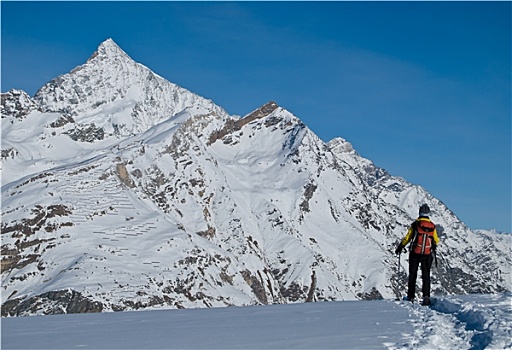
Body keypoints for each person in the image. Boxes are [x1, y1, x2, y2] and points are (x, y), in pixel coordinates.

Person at [395, 204, 440, 305]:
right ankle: (426, 296)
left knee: (413, 274)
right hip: (427, 254)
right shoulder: (432, 226)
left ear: (419, 212)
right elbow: (436, 240)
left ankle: (411, 296)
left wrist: (400, 247)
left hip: (415, 253)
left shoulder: (415, 224)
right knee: (426, 275)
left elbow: (408, 237)